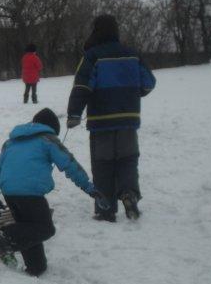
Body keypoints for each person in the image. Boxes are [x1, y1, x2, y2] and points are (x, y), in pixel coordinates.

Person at [0, 108, 107, 277]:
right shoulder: (47, 139)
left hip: (10, 193)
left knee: (29, 227)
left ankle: (35, 267)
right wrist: (90, 188)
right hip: (31, 193)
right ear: (51, 128)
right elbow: (69, 164)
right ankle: (4, 237)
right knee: (45, 228)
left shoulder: (11, 142)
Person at [66, 15, 156, 222]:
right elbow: (149, 82)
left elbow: (82, 85)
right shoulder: (133, 54)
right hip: (128, 119)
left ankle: (105, 210)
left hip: (101, 120)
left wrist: (74, 114)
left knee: (102, 164)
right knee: (128, 160)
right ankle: (129, 194)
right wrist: (132, 93)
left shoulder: (93, 56)